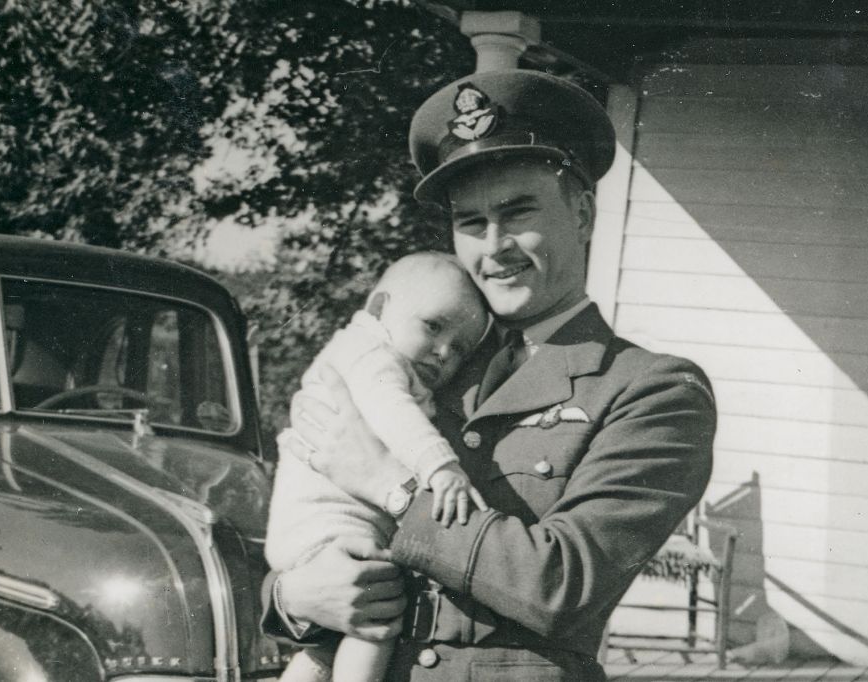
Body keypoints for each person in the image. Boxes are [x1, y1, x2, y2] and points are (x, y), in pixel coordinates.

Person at [261, 69, 717, 680]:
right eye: (470, 222)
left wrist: (393, 487)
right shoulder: (425, 357)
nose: (493, 244)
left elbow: (561, 585)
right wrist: (295, 599)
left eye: (518, 211)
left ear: (581, 215)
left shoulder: (651, 391)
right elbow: (311, 511)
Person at [266, 252, 489, 682]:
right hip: (325, 525)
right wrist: (440, 465)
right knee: (376, 625)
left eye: (459, 347)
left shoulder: (389, 358)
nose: (444, 351)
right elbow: (392, 412)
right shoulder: (369, 353)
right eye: (433, 326)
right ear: (378, 309)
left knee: (331, 644)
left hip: (318, 530)